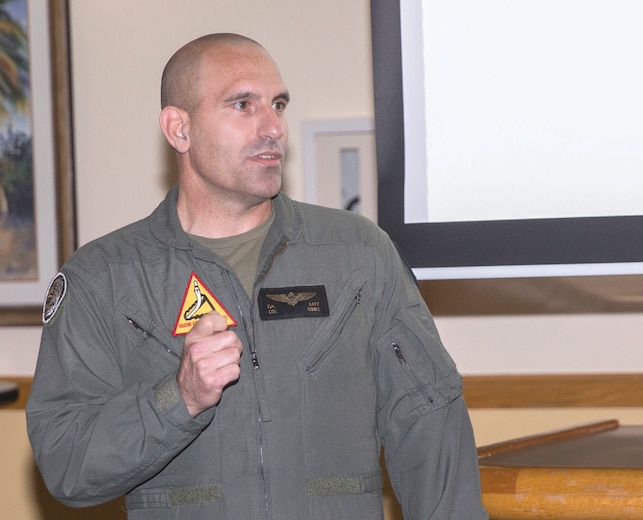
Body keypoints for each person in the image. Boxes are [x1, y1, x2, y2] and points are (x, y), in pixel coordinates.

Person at [26, 33, 488, 519]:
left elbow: (430, 427)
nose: (273, 128)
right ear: (179, 129)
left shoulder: (357, 254)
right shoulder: (105, 278)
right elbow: (66, 464)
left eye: (279, 105)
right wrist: (178, 398)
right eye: (243, 105)